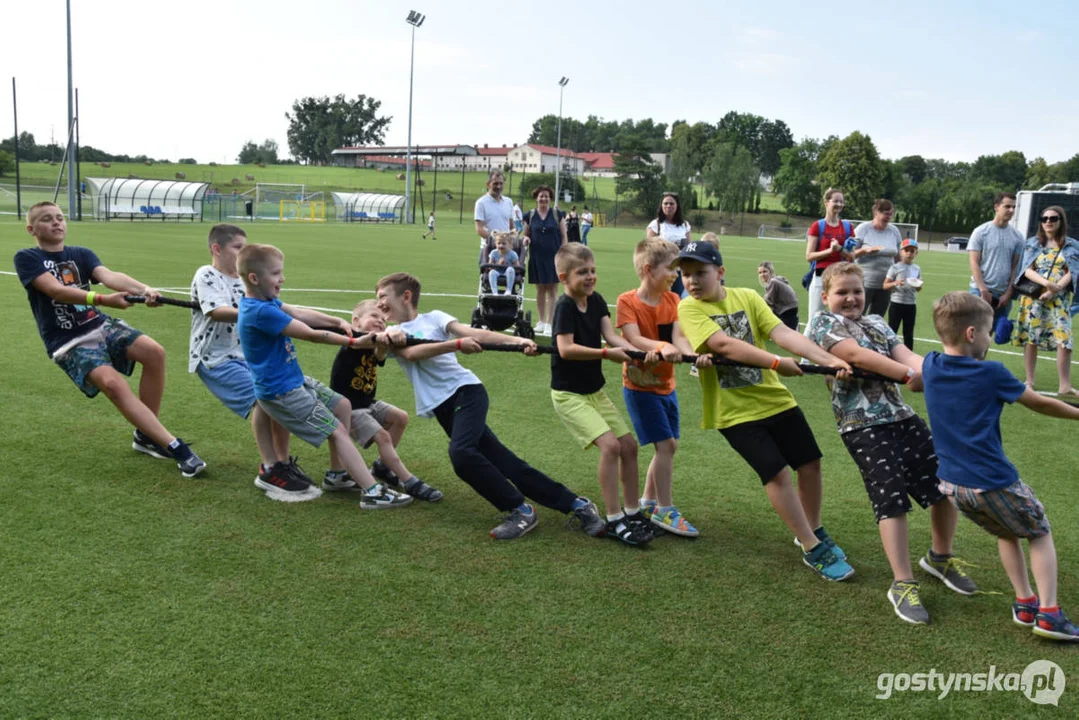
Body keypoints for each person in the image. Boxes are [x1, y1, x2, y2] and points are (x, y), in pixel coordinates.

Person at [374, 272, 606, 540]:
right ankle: (577, 504)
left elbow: (473, 333)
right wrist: (456, 345)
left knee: (461, 454)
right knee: (505, 462)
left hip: (466, 393)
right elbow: (411, 354)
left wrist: (517, 341)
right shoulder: (392, 335)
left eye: (383, 296)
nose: (379, 303)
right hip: (443, 408)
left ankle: (520, 510)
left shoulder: (434, 318)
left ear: (406, 296)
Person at [675, 240, 856, 581]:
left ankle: (813, 527)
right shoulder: (689, 308)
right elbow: (723, 344)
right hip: (733, 410)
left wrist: (828, 358)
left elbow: (782, 332)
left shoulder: (747, 296)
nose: (692, 281)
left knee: (810, 463)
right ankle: (810, 546)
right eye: (685, 275)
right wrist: (775, 362)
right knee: (776, 473)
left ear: (720, 272)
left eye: (700, 272)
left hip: (774, 398)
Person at [808, 263, 976, 625]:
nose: (851, 298)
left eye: (857, 291)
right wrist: (908, 375)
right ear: (826, 297)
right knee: (891, 499)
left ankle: (939, 557)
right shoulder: (823, 323)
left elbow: (907, 356)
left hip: (902, 417)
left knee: (943, 486)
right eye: (842, 292)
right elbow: (856, 355)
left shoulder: (878, 323)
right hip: (862, 425)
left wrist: (936, 374)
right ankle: (903, 582)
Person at [923, 291, 1079, 640]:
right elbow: (1039, 403)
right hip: (993, 480)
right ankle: (1049, 613)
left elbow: (916, 380)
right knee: (1039, 532)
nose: (992, 338)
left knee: (1006, 531)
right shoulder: (992, 373)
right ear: (971, 334)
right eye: (990, 331)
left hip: (953, 487)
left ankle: (1025, 603)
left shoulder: (930, 365)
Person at [14, 201, 206, 478]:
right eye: (47, 219)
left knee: (154, 352)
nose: (56, 222)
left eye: (59, 217)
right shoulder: (27, 258)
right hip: (68, 341)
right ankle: (176, 447)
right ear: (31, 229)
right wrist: (102, 299)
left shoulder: (80, 254)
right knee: (112, 384)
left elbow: (108, 276)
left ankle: (146, 435)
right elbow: (56, 291)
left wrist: (145, 289)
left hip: (100, 325)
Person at [236, 243, 411, 507]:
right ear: (254, 278)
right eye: (276, 274)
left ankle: (337, 475)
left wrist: (337, 321)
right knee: (338, 431)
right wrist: (354, 342)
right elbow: (308, 333)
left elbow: (298, 311)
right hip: (282, 392)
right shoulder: (259, 312)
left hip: (294, 380)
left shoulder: (266, 301)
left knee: (342, 404)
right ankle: (373, 492)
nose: (282, 278)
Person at [189, 224, 310, 493]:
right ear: (217, 249)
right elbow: (216, 311)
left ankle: (283, 461)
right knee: (262, 401)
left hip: (247, 357)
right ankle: (269, 468)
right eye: (238, 247)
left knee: (278, 396)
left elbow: (281, 309)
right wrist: (257, 314)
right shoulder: (207, 274)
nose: (244, 252)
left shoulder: (246, 282)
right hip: (215, 358)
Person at [550, 244, 654, 546]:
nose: (590, 277)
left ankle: (632, 511)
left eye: (592, 270)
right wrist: (606, 354)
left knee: (629, 446)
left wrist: (642, 352)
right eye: (582, 272)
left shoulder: (596, 302)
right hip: (569, 395)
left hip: (594, 392)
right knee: (610, 447)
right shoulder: (565, 306)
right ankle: (613, 518)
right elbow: (565, 349)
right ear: (564, 277)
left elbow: (611, 336)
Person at [616, 239, 707, 537]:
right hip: (640, 387)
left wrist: (695, 353)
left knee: (670, 445)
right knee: (665, 445)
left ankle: (647, 502)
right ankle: (665, 510)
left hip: (667, 386)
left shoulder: (673, 302)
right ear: (647, 269)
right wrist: (661, 345)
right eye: (671, 268)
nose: (675, 275)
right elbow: (633, 339)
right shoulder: (627, 301)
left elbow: (679, 338)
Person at [327, 300, 443, 501]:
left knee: (400, 417)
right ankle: (409, 481)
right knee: (383, 437)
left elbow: (379, 355)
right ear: (356, 321)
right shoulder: (352, 339)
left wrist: (385, 341)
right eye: (374, 316)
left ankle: (382, 466)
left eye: (383, 319)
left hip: (367, 403)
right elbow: (367, 340)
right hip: (350, 409)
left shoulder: (375, 342)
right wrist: (384, 336)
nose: (380, 321)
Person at [1011, 206, 1079, 401]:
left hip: (1059, 301)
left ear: (1061, 221)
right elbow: (1026, 270)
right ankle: (1029, 381)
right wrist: (1046, 285)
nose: (1048, 221)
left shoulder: (1072, 245)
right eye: (1044, 218)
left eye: (1053, 218)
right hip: (1034, 298)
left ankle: (1064, 386)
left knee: (1064, 341)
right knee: (1032, 338)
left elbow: (1073, 271)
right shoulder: (1032, 243)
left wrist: (1054, 289)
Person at [803, 188, 854, 337]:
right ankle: (805, 359)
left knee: (840, 320)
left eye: (841, 201)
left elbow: (852, 256)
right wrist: (830, 251)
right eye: (835, 201)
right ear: (826, 202)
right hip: (820, 277)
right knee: (814, 320)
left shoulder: (847, 227)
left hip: (841, 279)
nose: (839, 204)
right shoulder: (817, 226)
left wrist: (839, 249)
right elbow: (809, 256)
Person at [969, 192, 1023, 327]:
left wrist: (1009, 292)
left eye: (1014, 207)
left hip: (1003, 295)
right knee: (973, 333)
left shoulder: (1018, 237)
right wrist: (983, 290)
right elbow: (974, 262)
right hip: (980, 291)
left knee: (988, 335)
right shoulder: (981, 232)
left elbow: (1015, 267)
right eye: (1007, 206)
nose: (1011, 210)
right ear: (996, 207)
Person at [522, 185, 567, 336]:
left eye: (546, 196)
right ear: (536, 198)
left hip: (554, 257)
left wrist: (564, 253)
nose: (543, 199)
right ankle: (541, 321)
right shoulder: (530, 215)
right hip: (536, 257)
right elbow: (525, 234)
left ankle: (549, 322)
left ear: (550, 198)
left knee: (552, 290)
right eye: (541, 196)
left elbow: (564, 235)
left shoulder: (557, 214)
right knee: (540, 289)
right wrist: (526, 238)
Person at [852, 199, 902, 317]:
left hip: (885, 284)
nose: (888, 217)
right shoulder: (863, 229)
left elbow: (897, 256)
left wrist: (899, 275)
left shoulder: (894, 231)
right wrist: (865, 250)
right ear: (876, 212)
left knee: (877, 319)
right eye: (886, 214)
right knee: (858, 316)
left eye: (890, 214)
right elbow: (850, 253)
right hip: (864, 282)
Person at [646, 192, 692, 295]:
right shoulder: (656, 225)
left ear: (677, 206)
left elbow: (689, 247)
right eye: (665, 203)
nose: (668, 206)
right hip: (661, 269)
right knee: (660, 297)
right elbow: (649, 249)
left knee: (677, 298)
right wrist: (669, 246)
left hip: (679, 270)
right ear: (661, 206)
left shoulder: (684, 225)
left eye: (672, 203)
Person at [883, 238, 923, 350]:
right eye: (907, 250)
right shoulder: (895, 267)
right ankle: (889, 352)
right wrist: (895, 283)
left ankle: (909, 355)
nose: (909, 253)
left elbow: (919, 288)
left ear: (916, 253)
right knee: (892, 331)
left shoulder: (917, 268)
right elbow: (885, 285)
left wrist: (918, 285)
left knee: (909, 333)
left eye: (912, 251)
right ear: (901, 252)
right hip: (897, 303)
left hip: (911, 304)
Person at [474, 169, 514, 249]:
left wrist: (513, 238)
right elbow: (479, 229)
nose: (499, 186)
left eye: (501, 183)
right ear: (488, 184)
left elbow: (511, 227)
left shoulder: (509, 202)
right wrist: (497, 240)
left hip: (506, 249)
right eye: (495, 183)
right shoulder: (481, 203)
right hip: (488, 248)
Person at [757, 261, 799, 331]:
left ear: (770, 271)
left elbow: (768, 301)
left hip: (787, 310)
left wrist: (755, 300)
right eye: (760, 273)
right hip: (790, 308)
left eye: (765, 271)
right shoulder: (775, 280)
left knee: (788, 335)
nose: (762, 274)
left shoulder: (773, 282)